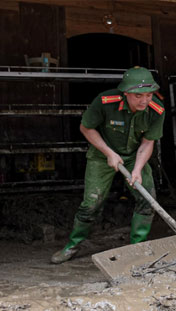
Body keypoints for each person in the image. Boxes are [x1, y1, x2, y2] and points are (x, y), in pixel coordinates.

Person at [51, 67, 165, 264]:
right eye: (138, 96)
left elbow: (148, 143)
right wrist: (109, 153)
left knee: (147, 198)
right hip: (102, 154)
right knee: (92, 203)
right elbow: (86, 128)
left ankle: (138, 247)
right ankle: (73, 245)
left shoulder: (156, 110)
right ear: (126, 93)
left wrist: (137, 169)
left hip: (134, 155)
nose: (145, 100)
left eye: (148, 94)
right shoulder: (105, 102)